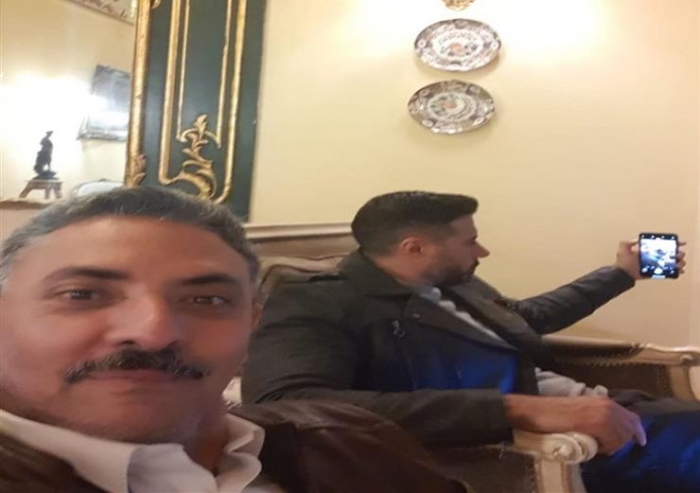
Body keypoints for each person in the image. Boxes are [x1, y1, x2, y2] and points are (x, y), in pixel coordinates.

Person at [0, 187, 467, 493]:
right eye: (82, 294)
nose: (154, 332)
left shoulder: (350, 442)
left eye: (206, 300)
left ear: (252, 322)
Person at [242, 190, 700, 493]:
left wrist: (621, 274)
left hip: (599, 408)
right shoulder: (317, 302)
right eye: (470, 241)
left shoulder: (453, 283)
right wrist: (514, 409)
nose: (483, 252)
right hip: (536, 444)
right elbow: (287, 404)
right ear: (415, 247)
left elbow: (527, 319)